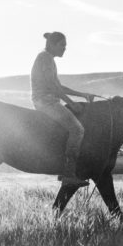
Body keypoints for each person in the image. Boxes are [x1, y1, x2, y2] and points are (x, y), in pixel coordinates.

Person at [31, 31, 98, 188]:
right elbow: (53, 86)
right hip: (45, 102)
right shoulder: (45, 58)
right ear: (53, 45)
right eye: (62, 45)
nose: (64, 49)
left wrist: (81, 94)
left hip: (48, 100)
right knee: (77, 130)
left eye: (65, 46)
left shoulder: (48, 58)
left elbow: (58, 86)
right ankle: (69, 173)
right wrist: (72, 103)